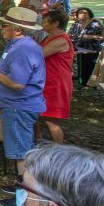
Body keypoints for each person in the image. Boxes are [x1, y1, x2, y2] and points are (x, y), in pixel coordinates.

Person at [0, 7, 46, 206]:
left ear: (18, 29)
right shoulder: (17, 45)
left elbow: (17, 83)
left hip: (18, 107)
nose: (0, 28)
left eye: (4, 25)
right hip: (16, 106)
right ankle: (22, 187)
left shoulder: (24, 49)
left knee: (21, 153)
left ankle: (27, 199)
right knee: (22, 149)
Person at [37, 10, 73, 145]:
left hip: (56, 82)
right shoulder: (48, 37)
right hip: (45, 80)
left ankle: (58, 150)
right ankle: (38, 141)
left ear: (56, 23)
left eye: (46, 21)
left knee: (51, 119)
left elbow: (39, 54)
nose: (43, 24)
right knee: (35, 114)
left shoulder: (61, 40)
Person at [67, 7, 103, 88]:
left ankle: (90, 83)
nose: (82, 14)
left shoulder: (95, 23)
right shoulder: (76, 24)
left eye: (85, 13)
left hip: (92, 48)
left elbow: (103, 36)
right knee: (81, 65)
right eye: (80, 13)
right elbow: (69, 35)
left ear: (89, 14)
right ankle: (82, 82)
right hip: (78, 48)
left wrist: (91, 36)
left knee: (90, 65)